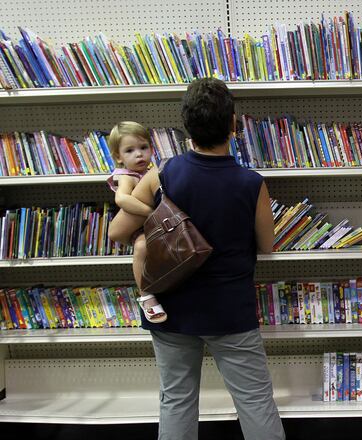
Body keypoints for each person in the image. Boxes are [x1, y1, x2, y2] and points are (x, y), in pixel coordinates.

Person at [108, 78, 285, 440]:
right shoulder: (252, 183)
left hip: (171, 307)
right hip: (231, 311)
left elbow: (117, 231)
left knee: (176, 400)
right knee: (255, 401)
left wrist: (161, 211)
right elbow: (267, 245)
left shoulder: (164, 175)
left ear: (186, 126)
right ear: (233, 125)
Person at [106, 121, 167, 323]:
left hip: (151, 227)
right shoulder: (127, 176)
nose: (139, 154)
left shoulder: (150, 170)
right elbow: (121, 199)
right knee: (141, 247)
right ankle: (146, 296)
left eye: (143, 148)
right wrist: (151, 213)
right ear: (118, 157)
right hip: (138, 228)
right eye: (130, 150)